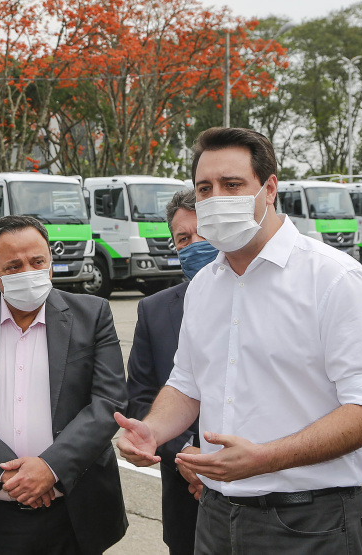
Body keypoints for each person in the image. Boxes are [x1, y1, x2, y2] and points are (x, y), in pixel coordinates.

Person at [116, 127, 362, 554]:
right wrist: (150, 431)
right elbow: (187, 385)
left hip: (310, 523)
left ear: (269, 189)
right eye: (205, 188)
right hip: (214, 517)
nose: (215, 199)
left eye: (232, 185)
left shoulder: (334, 280)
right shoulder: (204, 286)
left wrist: (266, 458)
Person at [0, 215, 129, 555]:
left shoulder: (92, 315)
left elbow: (108, 401)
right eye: (14, 265)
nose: (28, 272)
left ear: (50, 263)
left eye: (37, 262)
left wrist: (50, 468)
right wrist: (6, 473)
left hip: (73, 513)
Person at [126, 188, 217, 555]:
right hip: (185, 492)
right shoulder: (155, 310)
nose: (195, 244)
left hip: (258, 487)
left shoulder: (264, 299)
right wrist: (185, 456)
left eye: (204, 234)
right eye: (184, 238)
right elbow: (142, 397)